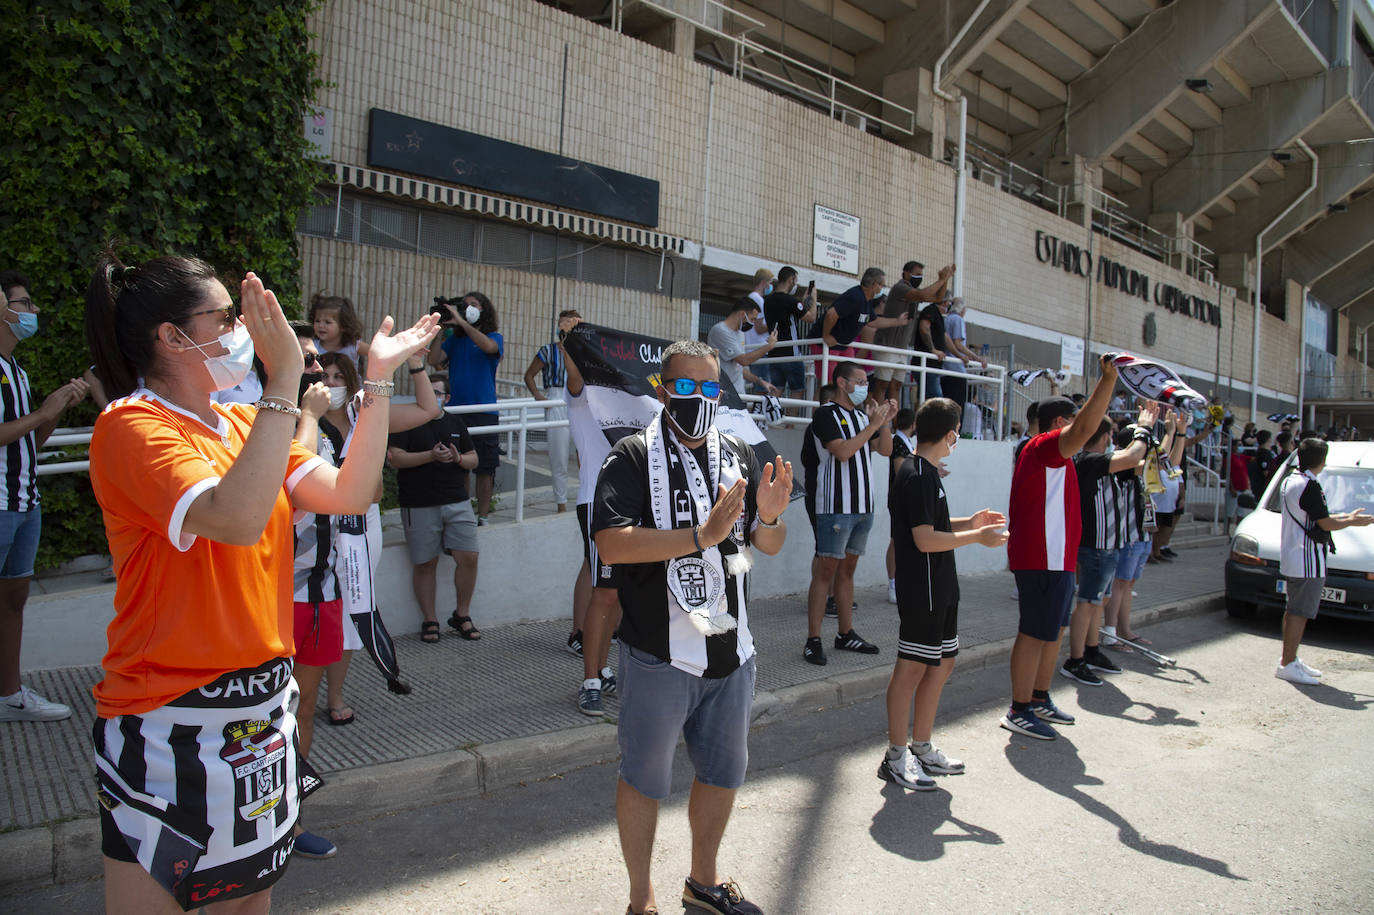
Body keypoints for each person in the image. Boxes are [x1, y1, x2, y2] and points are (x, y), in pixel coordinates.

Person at [84, 252, 438, 911]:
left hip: (259, 714)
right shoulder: (131, 425)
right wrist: (281, 380)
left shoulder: (249, 422)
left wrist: (380, 378)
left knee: (249, 901)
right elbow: (237, 517)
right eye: (228, 316)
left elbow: (352, 490)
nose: (247, 328)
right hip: (169, 721)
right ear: (171, 335)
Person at [592, 339, 791, 915]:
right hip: (660, 652)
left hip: (732, 651)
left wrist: (772, 517)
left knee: (724, 774)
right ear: (662, 389)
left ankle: (703, 882)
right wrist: (697, 537)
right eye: (686, 386)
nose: (699, 398)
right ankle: (640, 900)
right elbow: (611, 542)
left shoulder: (736, 452)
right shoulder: (630, 455)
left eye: (710, 387)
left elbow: (767, 546)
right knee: (644, 781)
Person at [880, 397, 1006, 790]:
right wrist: (977, 537)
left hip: (942, 588)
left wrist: (971, 521)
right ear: (951, 434)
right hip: (924, 591)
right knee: (911, 670)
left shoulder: (926, 471)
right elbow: (923, 539)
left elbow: (932, 522)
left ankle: (921, 745)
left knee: (942, 663)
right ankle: (896, 756)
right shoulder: (916, 474)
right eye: (957, 436)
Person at [318, 348, 444, 726]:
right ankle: (299, 689)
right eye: (324, 377)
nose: (331, 384)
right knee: (308, 605)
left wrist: (416, 363)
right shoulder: (302, 421)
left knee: (352, 604)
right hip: (314, 525)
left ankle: (335, 695)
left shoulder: (364, 413)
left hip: (361, 524)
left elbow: (428, 410)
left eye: (339, 378)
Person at [999, 356, 1118, 742]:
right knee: (1034, 633)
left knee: (1053, 632)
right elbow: (1086, 426)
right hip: (1039, 558)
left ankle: (1038, 698)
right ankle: (1018, 709)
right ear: (1058, 425)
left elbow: (1083, 426)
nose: (1082, 431)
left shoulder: (1058, 455)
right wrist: (1108, 380)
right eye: (1073, 422)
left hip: (1058, 559)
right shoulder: (1043, 446)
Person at [0, 271, 89, 722]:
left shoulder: (15, 370)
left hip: (23, 502)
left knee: (14, 599)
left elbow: (28, 443)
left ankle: (10, 694)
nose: (32, 312)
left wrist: (54, 410)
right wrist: (43, 411)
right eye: (23, 303)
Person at [1060, 404, 1158, 687]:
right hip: (1095, 547)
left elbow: (1146, 461)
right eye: (1110, 434)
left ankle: (1091, 652)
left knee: (1097, 602)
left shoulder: (1105, 462)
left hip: (1107, 547)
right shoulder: (1088, 461)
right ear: (1103, 436)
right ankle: (1075, 660)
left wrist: (1173, 434)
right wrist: (1144, 427)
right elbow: (1133, 456)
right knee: (1088, 603)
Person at [803, 361, 894, 665]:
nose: (864, 387)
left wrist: (884, 422)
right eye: (859, 381)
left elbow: (885, 450)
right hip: (835, 508)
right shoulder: (825, 414)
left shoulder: (861, 416)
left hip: (863, 507)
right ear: (842, 383)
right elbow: (841, 452)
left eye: (865, 382)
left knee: (848, 571)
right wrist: (872, 425)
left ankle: (845, 633)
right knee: (825, 572)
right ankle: (813, 639)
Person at [387, 373, 480, 645]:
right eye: (429, 392)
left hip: (457, 501)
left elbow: (473, 458)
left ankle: (461, 615)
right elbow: (396, 459)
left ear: (446, 398)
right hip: (418, 503)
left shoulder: (456, 423)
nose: (433, 397)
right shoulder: (406, 422)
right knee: (425, 563)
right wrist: (430, 455)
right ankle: (430, 619)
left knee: (469, 556)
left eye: (438, 393)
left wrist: (458, 457)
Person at [561, 324, 622, 715]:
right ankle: (590, 680)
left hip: (633, 504)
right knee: (605, 592)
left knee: (621, 594)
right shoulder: (582, 393)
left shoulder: (627, 393)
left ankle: (603, 668)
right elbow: (573, 372)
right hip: (598, 503)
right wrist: (569, 341)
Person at [1275, 438, 1371, 684]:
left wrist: (1346, 516)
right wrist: (1353, 521)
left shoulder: (1291, 480)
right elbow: (1325, 523)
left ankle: (1290, 659)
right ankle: (1287, 663)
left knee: (1293, 609)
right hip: (1307, 559)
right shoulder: (1310, 485)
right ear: (1322, 460)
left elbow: (1317, 516)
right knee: (1299, 612)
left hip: (1294, 555)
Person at [429, 291, 503, 523]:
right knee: (459, 465)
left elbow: (490, 348)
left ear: (484, 310)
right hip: (457, 412)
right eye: (465, 305)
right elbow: (434, 360)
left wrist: (462, 322)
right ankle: (461, 513)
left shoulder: (493, 336)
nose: (468, 308)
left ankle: (483, 516)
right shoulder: (455, 339)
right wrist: (440, 328)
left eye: (474, 305)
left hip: (484, 412)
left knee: (485, 468)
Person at [523, 310, 581, 514]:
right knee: (559, 455)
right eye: (562, 322)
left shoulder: (583, 351)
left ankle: (586, 497)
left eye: (569, 322)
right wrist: (540, 397)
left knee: (584, 452)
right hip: (557, 399)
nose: (564, 326)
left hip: (580, 400)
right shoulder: (548, 351)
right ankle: (561, 504)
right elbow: (529, 375)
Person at [870, 262, 953, 403]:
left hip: (902, 348)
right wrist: (940, 280)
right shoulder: (900, 288)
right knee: (882, 384)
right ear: (907, 273)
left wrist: (945, 279)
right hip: (887, 344)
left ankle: (893, 421)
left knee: (896, 386)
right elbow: (922, 295)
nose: (919, 277)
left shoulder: (914, 292)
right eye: (917, 274)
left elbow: (938, 298)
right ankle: (877, 421)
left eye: (921, 275)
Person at [816, 267, 906, 383]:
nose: (882, 289)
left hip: (843, 344)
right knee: (829, 383)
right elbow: (831, 314)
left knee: (850, 381)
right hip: (829, 343)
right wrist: (827, 335)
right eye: (882, 285)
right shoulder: (855, 296)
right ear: (873, 284)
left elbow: (873, 321)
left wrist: (897, 321)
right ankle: (823, 402)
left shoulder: (866, 301)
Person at [761, 266, 817, 399]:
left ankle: (770, 417)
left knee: (776, 389)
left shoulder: (767, 301)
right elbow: (811, 318)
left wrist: (802, 303)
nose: (795, 284)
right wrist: (813, 299)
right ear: (791, 279)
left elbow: (793, 313)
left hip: (774, 351)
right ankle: (791, 420)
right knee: (797, 389)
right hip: (791, 352)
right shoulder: (790, 301)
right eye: (795, 280)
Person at [706, 299, 779, 397]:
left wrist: (760, 381)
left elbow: (739, 367)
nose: (752, 323)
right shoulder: (720, 331)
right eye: (752, 319)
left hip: (738, 392)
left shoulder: (740, 333)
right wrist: (769, 346)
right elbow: (744, 360)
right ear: (742, 314)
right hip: (724, 393)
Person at [885, 407, 917, 604]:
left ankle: (901, 581)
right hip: (899, 498)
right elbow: (901, 470)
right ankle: (892, 582)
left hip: (907, 497)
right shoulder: (898, 442)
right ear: (913, 424)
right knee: (896, 540)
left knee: (904, 540)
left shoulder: (906, 443)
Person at [310, 292, 370, 371]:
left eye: (327, 322)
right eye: (317, 321)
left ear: (343, 326)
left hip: (349, 384)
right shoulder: (312, 346)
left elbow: (375, 352)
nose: (320, 325)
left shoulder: (353, 346)